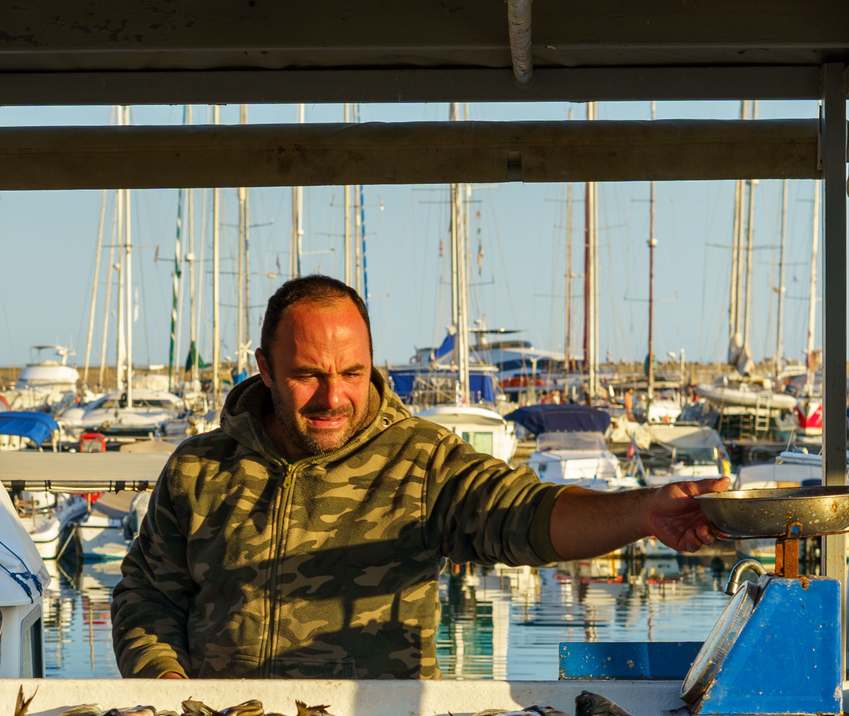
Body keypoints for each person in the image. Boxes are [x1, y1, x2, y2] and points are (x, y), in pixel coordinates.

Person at [113, 275, 726, 678]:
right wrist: (170, 694)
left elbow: (528, 516)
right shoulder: (199, 468)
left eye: (352, 373)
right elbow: (148, 595)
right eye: (308, 375)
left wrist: (644, 512)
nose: (333, 397)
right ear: (265, 370)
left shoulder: (423, 461)